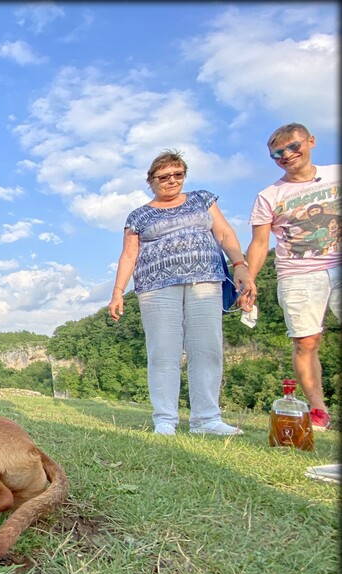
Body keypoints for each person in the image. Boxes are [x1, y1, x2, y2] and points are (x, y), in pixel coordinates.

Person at [108, 150, 256, 435]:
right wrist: (117, 293)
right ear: (151, 180)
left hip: (206, 280)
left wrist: (240, 265)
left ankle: (207, 419)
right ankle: (165, 419)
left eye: (178, 175)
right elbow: (128, 255)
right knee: (163, 351)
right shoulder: (139, 215)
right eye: (164, 177)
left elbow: (224, 234)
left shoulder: (202, 199)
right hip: (156, 286)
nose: (171, 181)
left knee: (207, 348)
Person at [243, 123, 340, 431]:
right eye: (277, 153)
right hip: (298, 274)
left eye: (293, 147)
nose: (287, 155)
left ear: (310, 142)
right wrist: (250, 279)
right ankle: (318, 410)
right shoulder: (269, 196)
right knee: (306, 340)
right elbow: (260, 243)